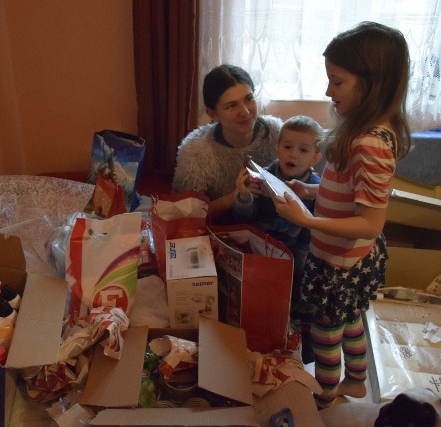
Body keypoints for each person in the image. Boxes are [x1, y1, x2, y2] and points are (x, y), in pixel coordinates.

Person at [272, 22, 412, 409]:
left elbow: (371, 221)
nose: (328, 91)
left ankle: (326, 393)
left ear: (371, 83)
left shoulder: (370, 143)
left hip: (342, 259)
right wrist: (311, 191)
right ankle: (354, 381)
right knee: (350, 318)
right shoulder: (363, 130)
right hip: (351, 255)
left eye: (337, 82)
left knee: (325, 328)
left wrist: (307, 220)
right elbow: (351, 194)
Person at [233, 115, 324, 362]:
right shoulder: (263, 176)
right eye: (287, 147)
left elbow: (314, 232)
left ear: (315, 157)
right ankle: (256, 325)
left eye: (303, 150)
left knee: (303, 280)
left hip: (297, 250)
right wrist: (243, 195)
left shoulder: (316, 187)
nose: (293, 154)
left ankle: (298, 327)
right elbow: (247, 216)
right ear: (277, 148)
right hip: (261, 242)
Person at [172, 64, 282, 224]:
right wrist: (234, 197)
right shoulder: (196, 152)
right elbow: (186, 214)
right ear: (212, 113)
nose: (245, 112)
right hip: (221, 231)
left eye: (249, 99)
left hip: (275, 228)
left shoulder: (276, 134)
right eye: (231, 105)